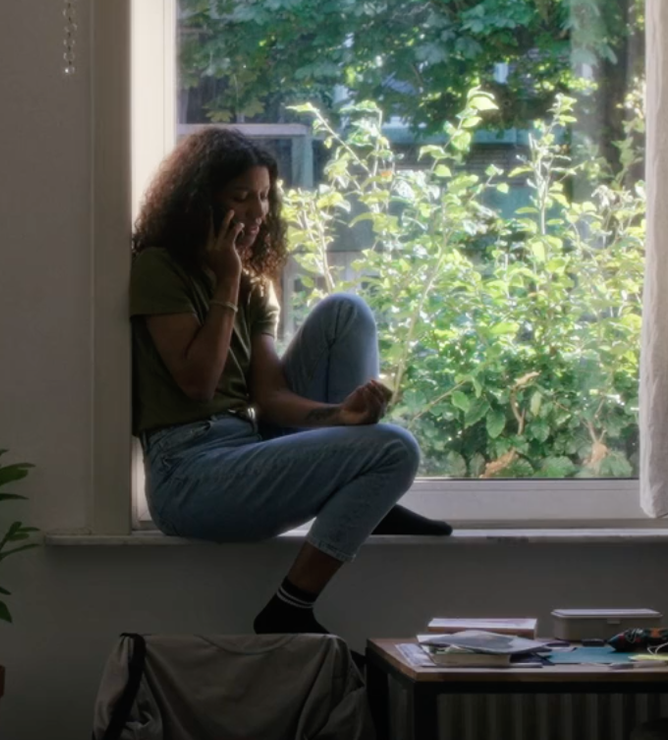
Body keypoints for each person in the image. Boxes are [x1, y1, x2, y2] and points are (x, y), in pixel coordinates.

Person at [130, 127, 449, 636]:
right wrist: (227, 278)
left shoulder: (254, 289)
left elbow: (271, 397)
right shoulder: (159, 268)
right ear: (199, 201)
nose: (258, 212)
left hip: (247, 444)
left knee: (345, 311)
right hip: (188, 475)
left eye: (264, 196)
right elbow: (197, 384)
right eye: (241, 197)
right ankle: (290, 606)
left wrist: (339, 416)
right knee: (396, 448)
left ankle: (369, 498)